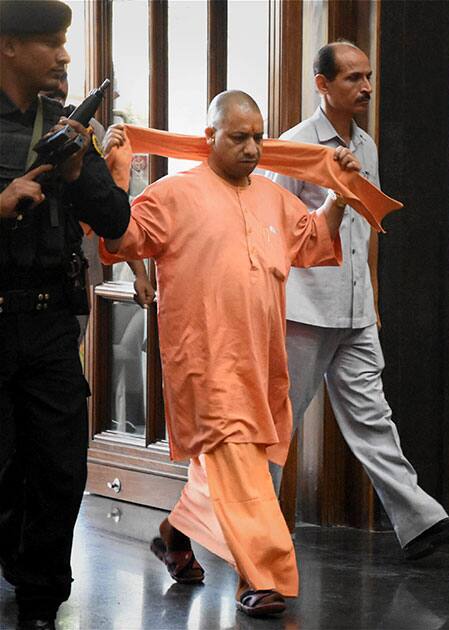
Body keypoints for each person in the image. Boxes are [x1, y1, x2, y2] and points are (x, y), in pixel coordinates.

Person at [100, 90, 356, 617]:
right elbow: (121, 239)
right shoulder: (174, 193)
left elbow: (312, 242)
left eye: (258, 137)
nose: (252, 149)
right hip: (203, 358)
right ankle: (261, 578)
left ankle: (173, 534)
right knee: (241, 471)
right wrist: (117, 177)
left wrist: (339, 198)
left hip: (262, 361)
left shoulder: (272, 198)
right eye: (238, 137)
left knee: (234, 465)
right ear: (210, 136)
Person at [268, 41, 449, 561]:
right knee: (276, 425)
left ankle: (421, 522)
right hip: (302, 310)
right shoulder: (297, 147)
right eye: (352, 79)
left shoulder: (367, 145)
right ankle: (254, 537)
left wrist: (373, 298)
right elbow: (273, 230)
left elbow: (368, 227)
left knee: (373, 417)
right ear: (322, 85)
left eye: (368, 77)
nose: (365, 88)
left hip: (357, 310)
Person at [0, 2, 131, 629]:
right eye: (50, 44)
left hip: (52, 324)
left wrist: (79, 172)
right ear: (8, 48)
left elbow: (116, 221)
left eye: (64, 44)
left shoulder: (69, 127)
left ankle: (39, 603)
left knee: (58, 465)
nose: (64, 56)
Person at [41, 73, 155, 339]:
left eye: (63, 77)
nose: (58, 86)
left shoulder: (88, 128)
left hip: (73, 274)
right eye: (50, 74)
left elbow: (111, 213)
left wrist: (140, 273)